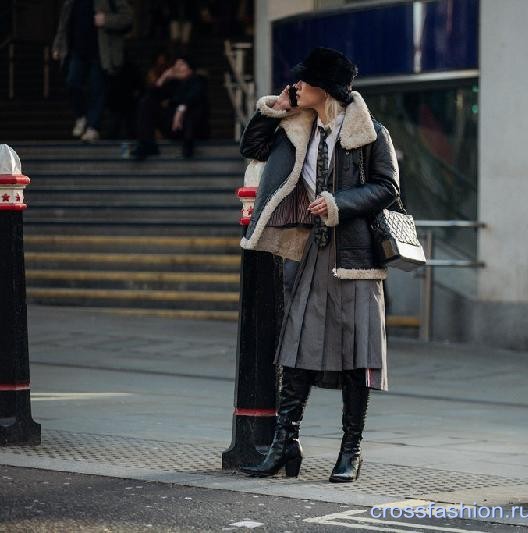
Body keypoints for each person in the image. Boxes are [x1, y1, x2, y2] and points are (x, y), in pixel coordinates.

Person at [238, 47, 400, 482]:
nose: (295, 87)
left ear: (325, 88)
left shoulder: (371, 134)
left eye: (302, 82)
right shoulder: (298, 127)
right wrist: (277, 107)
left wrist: (337, 204)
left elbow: (387, 186)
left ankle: (352, 450)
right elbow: (250, 146)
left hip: (354, 257)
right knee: (295, 350)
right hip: (310, 253)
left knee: (355, 353)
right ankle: (285, 443)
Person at [52, 0, 133, 142]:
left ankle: (93, 127)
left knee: (97, 89)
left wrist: (106, 20)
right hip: (78, 51)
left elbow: (127, 17)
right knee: (72, 83)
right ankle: (81, 116)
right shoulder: (71, 3)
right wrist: (58, 45)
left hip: (101, 53)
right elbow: (64, 26)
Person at [132, 53, 209, 160]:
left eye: (181, 65)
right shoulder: (173, 84)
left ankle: (188, 146)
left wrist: (181, 108)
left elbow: (196, 94)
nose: (177, 68)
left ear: (190, 69)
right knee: (146, 102)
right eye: (175, 65)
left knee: (193, 108)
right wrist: (163, 78)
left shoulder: (197, 80)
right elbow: (152, 96)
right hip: (174, 126)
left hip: (193, 128)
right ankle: (147, 144)